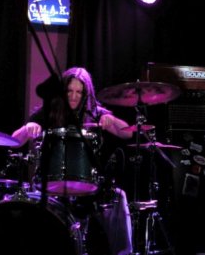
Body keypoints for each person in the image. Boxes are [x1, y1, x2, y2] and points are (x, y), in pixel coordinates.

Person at [12, 66, 134, 255]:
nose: (74, 96)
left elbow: (127, 133)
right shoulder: (49, 111)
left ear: (86, 94)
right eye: (69, 91)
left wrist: (112, 121)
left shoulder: (95, 112)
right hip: (53, 184)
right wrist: (28, 127)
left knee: (119, 197)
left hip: (90, 185)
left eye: (79, 92)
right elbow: (15, 140)